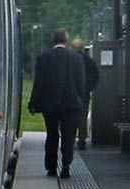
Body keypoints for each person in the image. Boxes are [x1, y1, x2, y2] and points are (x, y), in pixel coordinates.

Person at [28, 28, 87, 178]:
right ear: (66, 41)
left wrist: (33, 103)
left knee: (52, 134)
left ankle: (51, 167)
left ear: (53, 40)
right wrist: (81, 101)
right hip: (71, 104)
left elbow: (39, 83)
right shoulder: (76, 58)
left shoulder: (44, 58)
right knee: (69, 136)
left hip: (50, 104)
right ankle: (66, 165)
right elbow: (81, 83)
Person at [71, 39, 99, 150]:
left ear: (73, 48)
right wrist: (88, 88)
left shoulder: (70, 60)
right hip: (84, 94)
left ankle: (70, 139)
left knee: (71, 118)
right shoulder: (89, 61)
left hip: (71, 94)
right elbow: (96, 76)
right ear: (83, 48)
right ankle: (82, 140)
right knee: (82, 117)